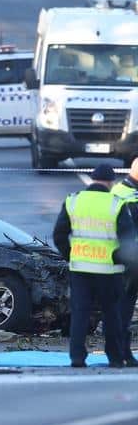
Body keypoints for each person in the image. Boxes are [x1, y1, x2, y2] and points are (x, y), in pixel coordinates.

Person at [53, 164, 137, 368]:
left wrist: (72, 255)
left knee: (80, 314)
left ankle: (77, 357)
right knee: (112, 315)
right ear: (110, 182)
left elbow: (59, 235)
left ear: (92, 179)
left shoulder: (73, 200)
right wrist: (118, 261)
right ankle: (115, 358)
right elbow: (127, 241)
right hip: (108, 271)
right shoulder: (115, 204)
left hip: (80, 269)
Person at [110, 158, 138, 367]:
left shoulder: (118, 190)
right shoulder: (130, 197)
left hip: (122, 258)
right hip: (130, 261)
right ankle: (122, 352)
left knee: (123, 306)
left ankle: (122, 351)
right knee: (125, 307)